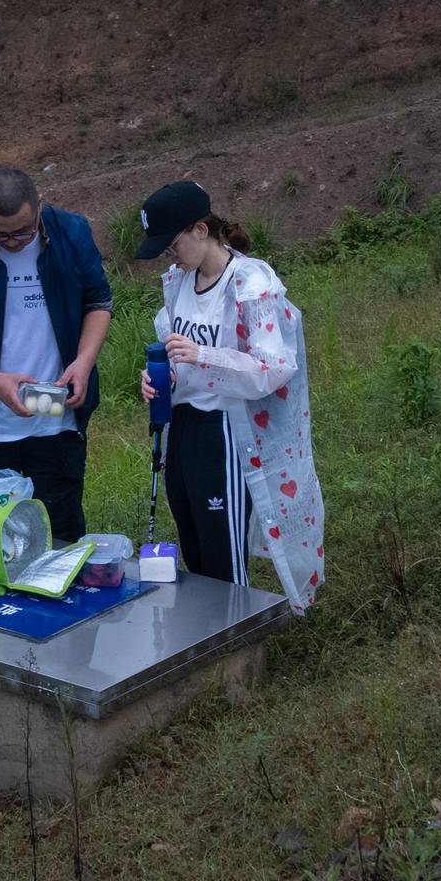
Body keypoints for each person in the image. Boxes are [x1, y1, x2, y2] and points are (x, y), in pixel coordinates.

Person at [135, 180, 324, 610]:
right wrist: (158, 378)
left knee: (222, 542)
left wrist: (203, 355)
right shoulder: (180, 282)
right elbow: (176, 350)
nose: (171, 256)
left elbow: (274, 367)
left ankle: (235, 638)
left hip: (227, 429)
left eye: (174, 243)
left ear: (201, 230)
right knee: (191, 528)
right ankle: (205, 634)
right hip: (185, 425)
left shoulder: (251, 283)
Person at [0, 167, 112, 543]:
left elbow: (98, 301)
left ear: (40, 206)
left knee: (61, 528)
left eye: (23, 232)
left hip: (56, 411)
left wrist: (83, 361)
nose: (13, 242)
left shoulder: (72, 233)